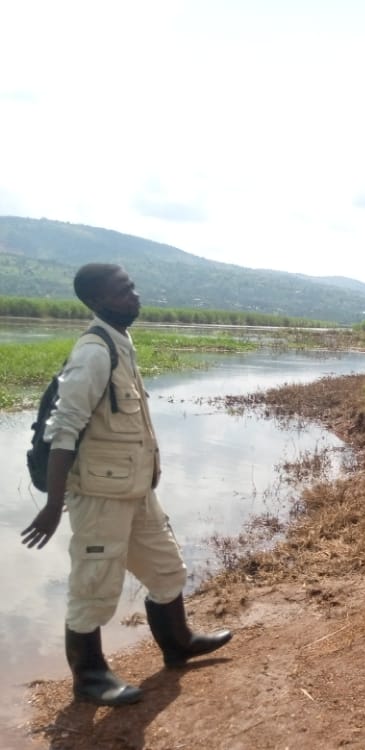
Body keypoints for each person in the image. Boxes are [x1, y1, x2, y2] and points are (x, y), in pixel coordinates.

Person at [20, 263, 232, 706]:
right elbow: (64, 430)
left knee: (167, 568)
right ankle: (90, 676)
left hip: (135, 489)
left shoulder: (121, 342)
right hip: (99, 495)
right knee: (93, 583)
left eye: (132, 287)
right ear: (98, 301)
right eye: (122, 291)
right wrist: (52, 504)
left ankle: (178, 643)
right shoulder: (93, 352)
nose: (134, 295)